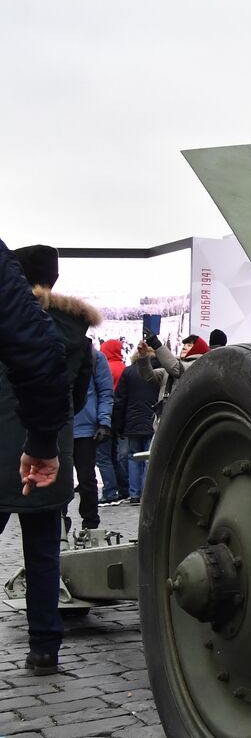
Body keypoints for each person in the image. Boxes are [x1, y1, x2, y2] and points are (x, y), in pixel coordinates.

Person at [2, 242, 98, 675]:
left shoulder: (10, 319)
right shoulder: (77, 333)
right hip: (49, 453)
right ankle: (44, 648)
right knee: (44, 554)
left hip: (2, 451)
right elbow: (75, 400)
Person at [69, 345, 113, 537]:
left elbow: (105, 392)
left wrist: (104, 422)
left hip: (85, 429)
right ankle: (59, 524)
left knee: (86, 479)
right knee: (57, 482)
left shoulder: (96, 358)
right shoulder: (53, 352)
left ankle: (91, 524)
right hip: (58, 427)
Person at [113, 348, 161, 505]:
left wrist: (119, 424)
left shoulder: (128, 372)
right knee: (149, 458)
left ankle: (134, 494)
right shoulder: (159, 371)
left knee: (133, 457)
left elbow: (120, 399)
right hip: (152, 419)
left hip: (132, 421)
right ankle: (146, 493)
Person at [96, 339, 128, 503]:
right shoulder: (123, 367)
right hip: (119, 418)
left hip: (105, 417)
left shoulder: (105, 367)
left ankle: (109, 492)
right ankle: (123, 488)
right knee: (114, 456)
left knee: (103, 457)